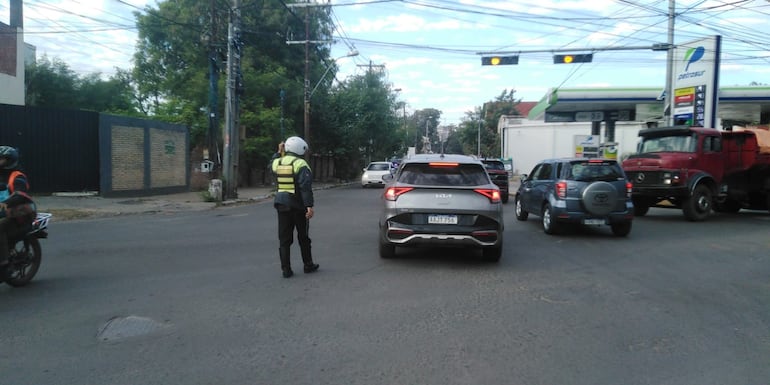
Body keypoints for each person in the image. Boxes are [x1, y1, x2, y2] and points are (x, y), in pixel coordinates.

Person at [270, 136, 319, 278]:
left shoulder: (277, 162)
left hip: (281, 204)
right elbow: (305, 187)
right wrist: (309, 206)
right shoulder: (301, 164)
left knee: (284, 239)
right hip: (297, 205)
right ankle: (308, 264)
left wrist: (278, 152)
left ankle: (286, 270)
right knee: (303, 236)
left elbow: (271, 166)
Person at [0, 146, 36, 276]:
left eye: (2, 159)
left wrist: (5, 203)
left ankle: (4, 264)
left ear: (10, 161)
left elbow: (20, 194)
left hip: (19, 216)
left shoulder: (17, 176)